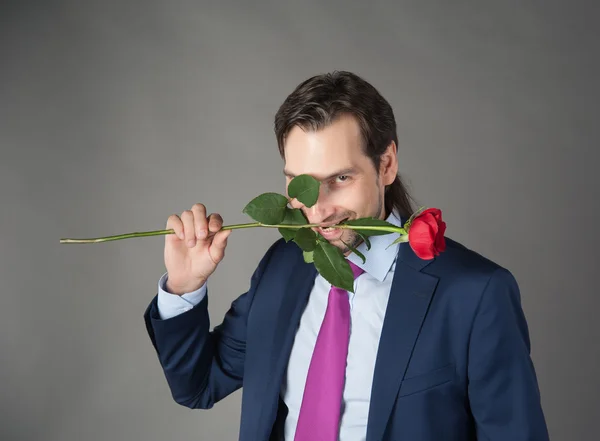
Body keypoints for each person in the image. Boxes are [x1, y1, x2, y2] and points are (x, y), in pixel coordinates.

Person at [144, 71, 549, 441]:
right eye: (299, 183)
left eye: (340, 178)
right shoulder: (282, 266)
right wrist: (184, 286)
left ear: (386, 164)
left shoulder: (475, 296)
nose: (318, 210)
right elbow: (198, 386)